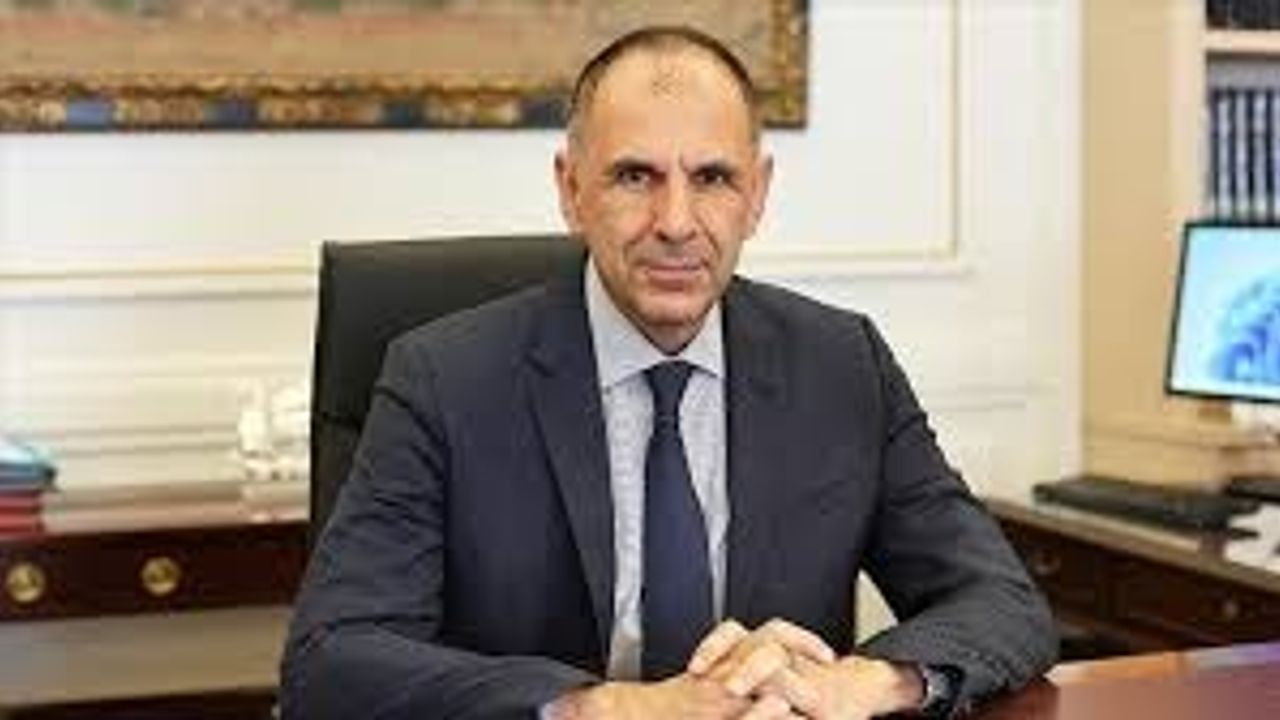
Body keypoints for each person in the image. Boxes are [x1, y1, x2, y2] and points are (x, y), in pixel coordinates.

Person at [281, 25, 1056, 720]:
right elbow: (332, 660)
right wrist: (601, 707)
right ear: (571, 189)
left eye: (713, 178)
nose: (676, 223)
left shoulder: (842, 364)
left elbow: (1001, 601)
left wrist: (867, 682)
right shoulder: (445, 380)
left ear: (757, 195)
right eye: (635, 176)